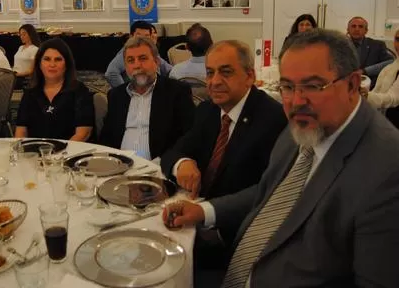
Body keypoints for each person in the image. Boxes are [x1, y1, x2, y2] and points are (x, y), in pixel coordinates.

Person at [167, 29, 399, 287]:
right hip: (237, 268)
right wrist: (204, 211)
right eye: (287, 86)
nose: (296, 101)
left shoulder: (387, 169)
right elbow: (270, 192)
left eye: (313, 86)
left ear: (352, 85)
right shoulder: (305, 125)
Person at [161, 40, 287, 281]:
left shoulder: (273, 119)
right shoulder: (208, 111)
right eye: (210, 73)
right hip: (193, 221)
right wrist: (182, 163)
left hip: (236, 241)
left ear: (249, 76)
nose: (214, 81)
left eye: (226, 72)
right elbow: (173, 152)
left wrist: (205, 212)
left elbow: (269, 191)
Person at [100, 36, 194, 159]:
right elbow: (106, 138)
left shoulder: (176, 92)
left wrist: (165, 162)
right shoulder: (116, 95)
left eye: (143, 58)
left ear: (156, 62)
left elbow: (187, 137)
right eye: (131, 60)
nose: (137, 65)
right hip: (119, 164)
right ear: (126, 66)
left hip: (157, 165)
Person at [15, 38, 94, 141]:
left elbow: (83, 133)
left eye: (58, 59)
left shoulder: (79, 91)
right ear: (39, 64)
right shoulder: (30, 92)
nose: (52, 65)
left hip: (70, 149)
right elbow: (21, 131)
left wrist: (63, 151)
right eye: (47, 59)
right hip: (35, 149)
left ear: (67, 64)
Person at [105, 21, 172, 88]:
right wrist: (124, 91)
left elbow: (169, 69)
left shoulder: (150, 50)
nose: (142, 39)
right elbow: (111, 73)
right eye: (139, 36)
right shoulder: (127, 53)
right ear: (131, 36)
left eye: (146, 36)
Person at [348, 16, 393, 83]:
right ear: (348, 30)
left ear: (366, 31)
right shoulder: (339, 46)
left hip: (370, 84)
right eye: (353, 26)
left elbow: (390, 62)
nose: (357, 29)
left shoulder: (377, 45)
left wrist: (365, 71)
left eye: (360, 26)